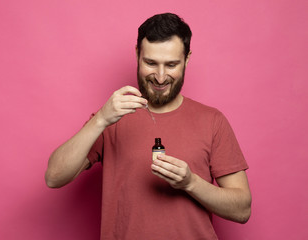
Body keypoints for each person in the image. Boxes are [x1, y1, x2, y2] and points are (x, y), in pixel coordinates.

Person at [45, 13, 251, 239]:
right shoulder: (112, 116)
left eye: (171, 64)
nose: (161, 77)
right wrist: (101, 119)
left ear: (187, 59)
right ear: (137, 55)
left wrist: (191, 183)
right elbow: (54, 177)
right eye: (151, 63)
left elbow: (242, 210)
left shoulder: (212, 121)